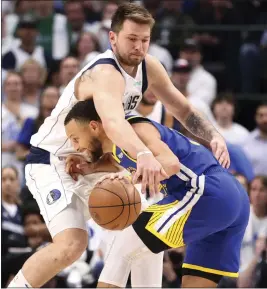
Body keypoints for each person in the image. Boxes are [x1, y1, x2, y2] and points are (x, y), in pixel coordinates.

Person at [8, 3, 229, 288]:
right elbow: (112, 122)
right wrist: (144, 154)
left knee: (147, 224)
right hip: (54, 161)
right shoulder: (104, 73)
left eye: (145, 40)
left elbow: (183, 109)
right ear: (113, 38)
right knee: (72, 244)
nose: (139, 47)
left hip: (94, 161)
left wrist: (213, 136)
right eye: (132, 39)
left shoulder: (149, 67)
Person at [63, 98, 250, 288]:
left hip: (205, 190)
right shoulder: (120, 145)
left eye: (75, 139)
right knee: (150, 255)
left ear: (94, 126)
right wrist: (90, 167)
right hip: (232, 197)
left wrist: (129, 180)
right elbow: (126, 161)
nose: (77, 147)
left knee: (122, 248)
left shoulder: (135, 130)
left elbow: (171, 163)